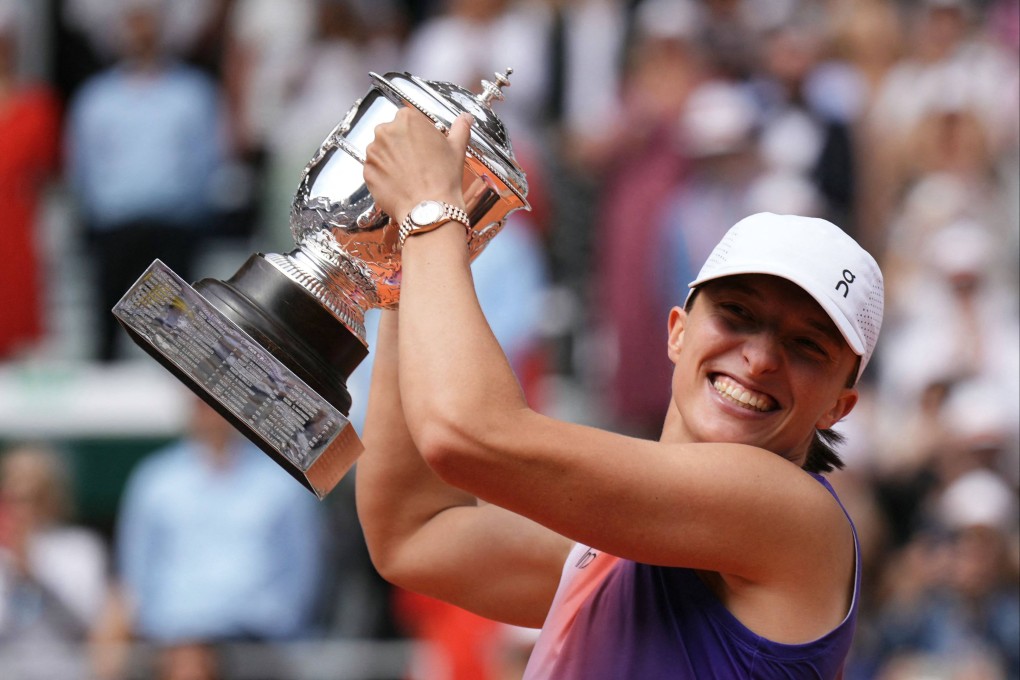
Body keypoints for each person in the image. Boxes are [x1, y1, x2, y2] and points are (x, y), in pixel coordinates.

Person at [355, 109, 884, 677]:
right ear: (677, 330)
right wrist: (401, 271)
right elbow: (412, 534)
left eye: (807, 347)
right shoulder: (623, 546)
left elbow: (468, 435)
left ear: (838, 406)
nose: (760, 358)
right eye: (738, 315)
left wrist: (430, 211)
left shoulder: (792, 517)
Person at [109, 396, 325, 679]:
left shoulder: (282, 482)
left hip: (256, 645)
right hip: (174, 642)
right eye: (203, 403)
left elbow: (303, 569)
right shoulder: (155, 480)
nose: (213, 414)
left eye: (222, 403)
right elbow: (136, 569)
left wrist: (276, 632)